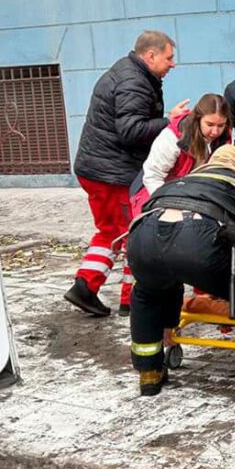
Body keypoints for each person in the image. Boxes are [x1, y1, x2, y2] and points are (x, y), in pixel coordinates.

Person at [126, 145, 235, 401]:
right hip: (197, 240)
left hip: (143, 237)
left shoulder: (185, 179)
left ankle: (149, 373)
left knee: (149, 291)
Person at [66, 30, 189, 317]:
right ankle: (132, 298)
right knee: (137, 232)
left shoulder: (130, 75)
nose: (173, 64)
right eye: (169, 58)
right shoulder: (134, 82)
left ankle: (86, 286)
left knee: (111, 230)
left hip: (99, 169)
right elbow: (132, 131)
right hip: (112, 173)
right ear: (151, 56)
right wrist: (169, 122)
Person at [128, 93, 233, 219]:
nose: (215, 131)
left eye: (221, 125)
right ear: (198, 119)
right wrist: (169, 204)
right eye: (209, 125)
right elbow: (152, 176)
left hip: (191, 193)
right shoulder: (173, 137)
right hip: (153, 191)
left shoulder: (224, 137)